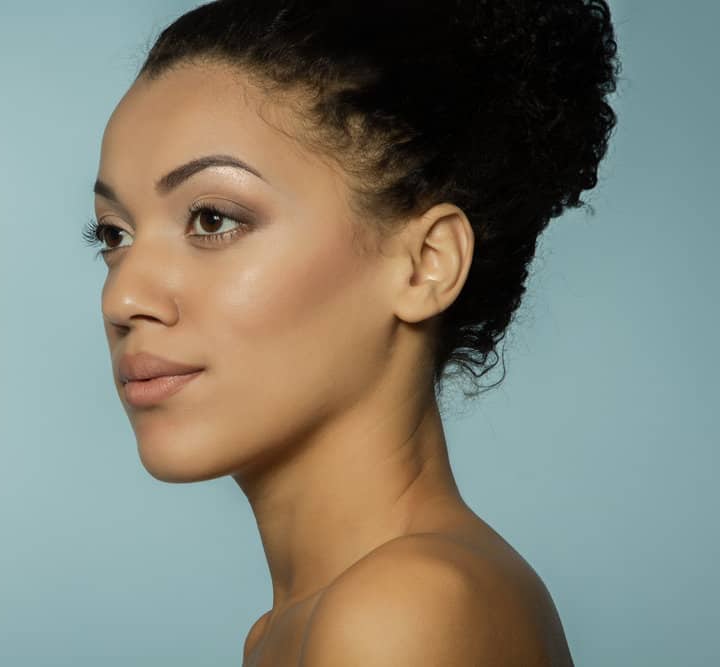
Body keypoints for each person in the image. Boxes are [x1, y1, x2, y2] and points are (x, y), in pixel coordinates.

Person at [84, 1, 620, 664]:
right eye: (114, 234)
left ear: (426, 264)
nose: (124, 295)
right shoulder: (293, 627)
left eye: (213, 219)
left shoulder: (402, 610)